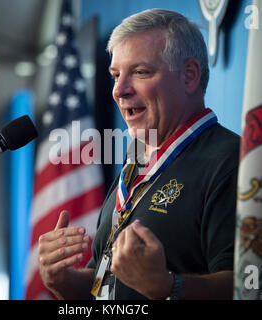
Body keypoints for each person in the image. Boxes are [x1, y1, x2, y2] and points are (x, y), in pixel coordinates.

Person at [38, 8, 239, 300]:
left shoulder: (232, 161)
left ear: (189, 76)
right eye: (116, 75)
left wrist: (167, 287)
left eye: (141, 72)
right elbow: (104, 284)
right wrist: (62, 281)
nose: (119, 90)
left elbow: (247, 286)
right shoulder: (136, 165)